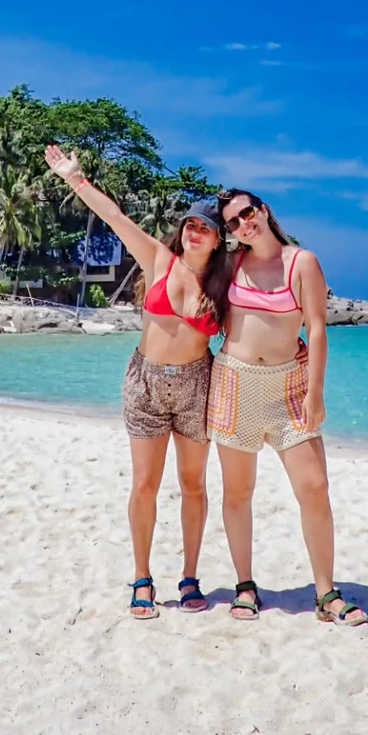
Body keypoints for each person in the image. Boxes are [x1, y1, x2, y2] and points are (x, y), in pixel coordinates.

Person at [44, 145, 229, 618]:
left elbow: (263, 311)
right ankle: (143, 577)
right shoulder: (159, 260)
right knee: (145, 484)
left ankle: (189, 578)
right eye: (190, 224)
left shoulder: (226, 284)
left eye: (205, 227)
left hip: (196, 386)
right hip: (145, 382)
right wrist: (74, 178)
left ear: (217, 240)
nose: (194, 231)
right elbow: (114, 217)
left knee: (193, 485)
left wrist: (297, 346)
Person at [209, 189, 368, 625]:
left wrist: (316, 394)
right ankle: (245, 586)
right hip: (235, 384)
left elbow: (317, 330)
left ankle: (326, 592)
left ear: (264, 210)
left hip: (290, 389)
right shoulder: (230, 265)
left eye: (248, 212)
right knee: (238, 493)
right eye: (233, 222)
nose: (244, 223)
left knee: (314, 488)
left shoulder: (302, 263)